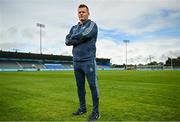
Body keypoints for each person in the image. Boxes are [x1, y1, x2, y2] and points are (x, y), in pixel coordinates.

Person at [65, 4, 100, 121]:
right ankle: (82, 108)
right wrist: (76, 38)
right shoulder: (73, 27)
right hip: (76, 62)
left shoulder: (92, 25)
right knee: (80, 87)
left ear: (88, 13)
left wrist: (74, 39)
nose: (81, 14)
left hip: (88, 61)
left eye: (83, 12)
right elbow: (67, 41)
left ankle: (96, 113)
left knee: (93, 86)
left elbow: (85, 35)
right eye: (79, 12)